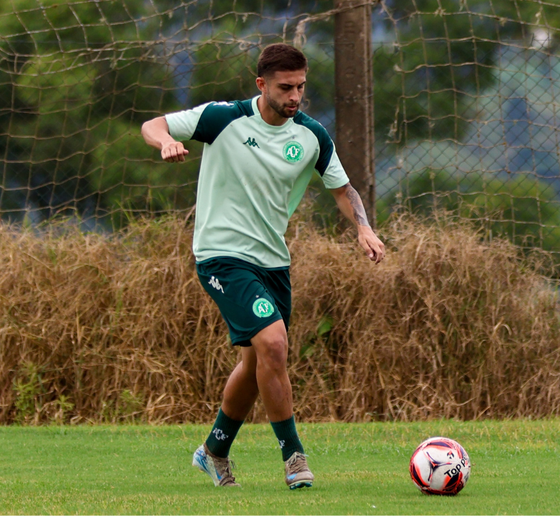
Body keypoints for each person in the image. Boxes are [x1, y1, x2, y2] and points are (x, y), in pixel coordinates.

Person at [141, 43, 385, 490]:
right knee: (274, 345)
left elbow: (342, 189)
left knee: (258, 362)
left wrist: (364, 229)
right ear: (262, 85)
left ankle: (213, 451)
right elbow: (152, 124)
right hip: (221, 255)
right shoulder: (223, 118)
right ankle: (294, 457)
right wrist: (167, 141)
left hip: (273, 262)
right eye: (285, 87)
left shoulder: (311, 135)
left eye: (301, 87)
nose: (295, 97)